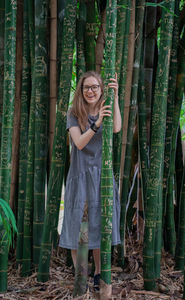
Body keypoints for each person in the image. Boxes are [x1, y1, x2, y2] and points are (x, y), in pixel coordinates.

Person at [59, 70, 121, 290]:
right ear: (81, 90)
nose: (91, 91)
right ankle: (81, 274)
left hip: (102, 176)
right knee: (79, 225)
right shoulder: (74, 113)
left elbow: (116, 128)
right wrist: (96, 124)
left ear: (101, 89)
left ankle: (98, 273)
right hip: (81, 175)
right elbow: (79, 143)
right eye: (87, 87)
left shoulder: (106, 108)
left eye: (95, 87)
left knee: (99, 224)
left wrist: (115, 98)